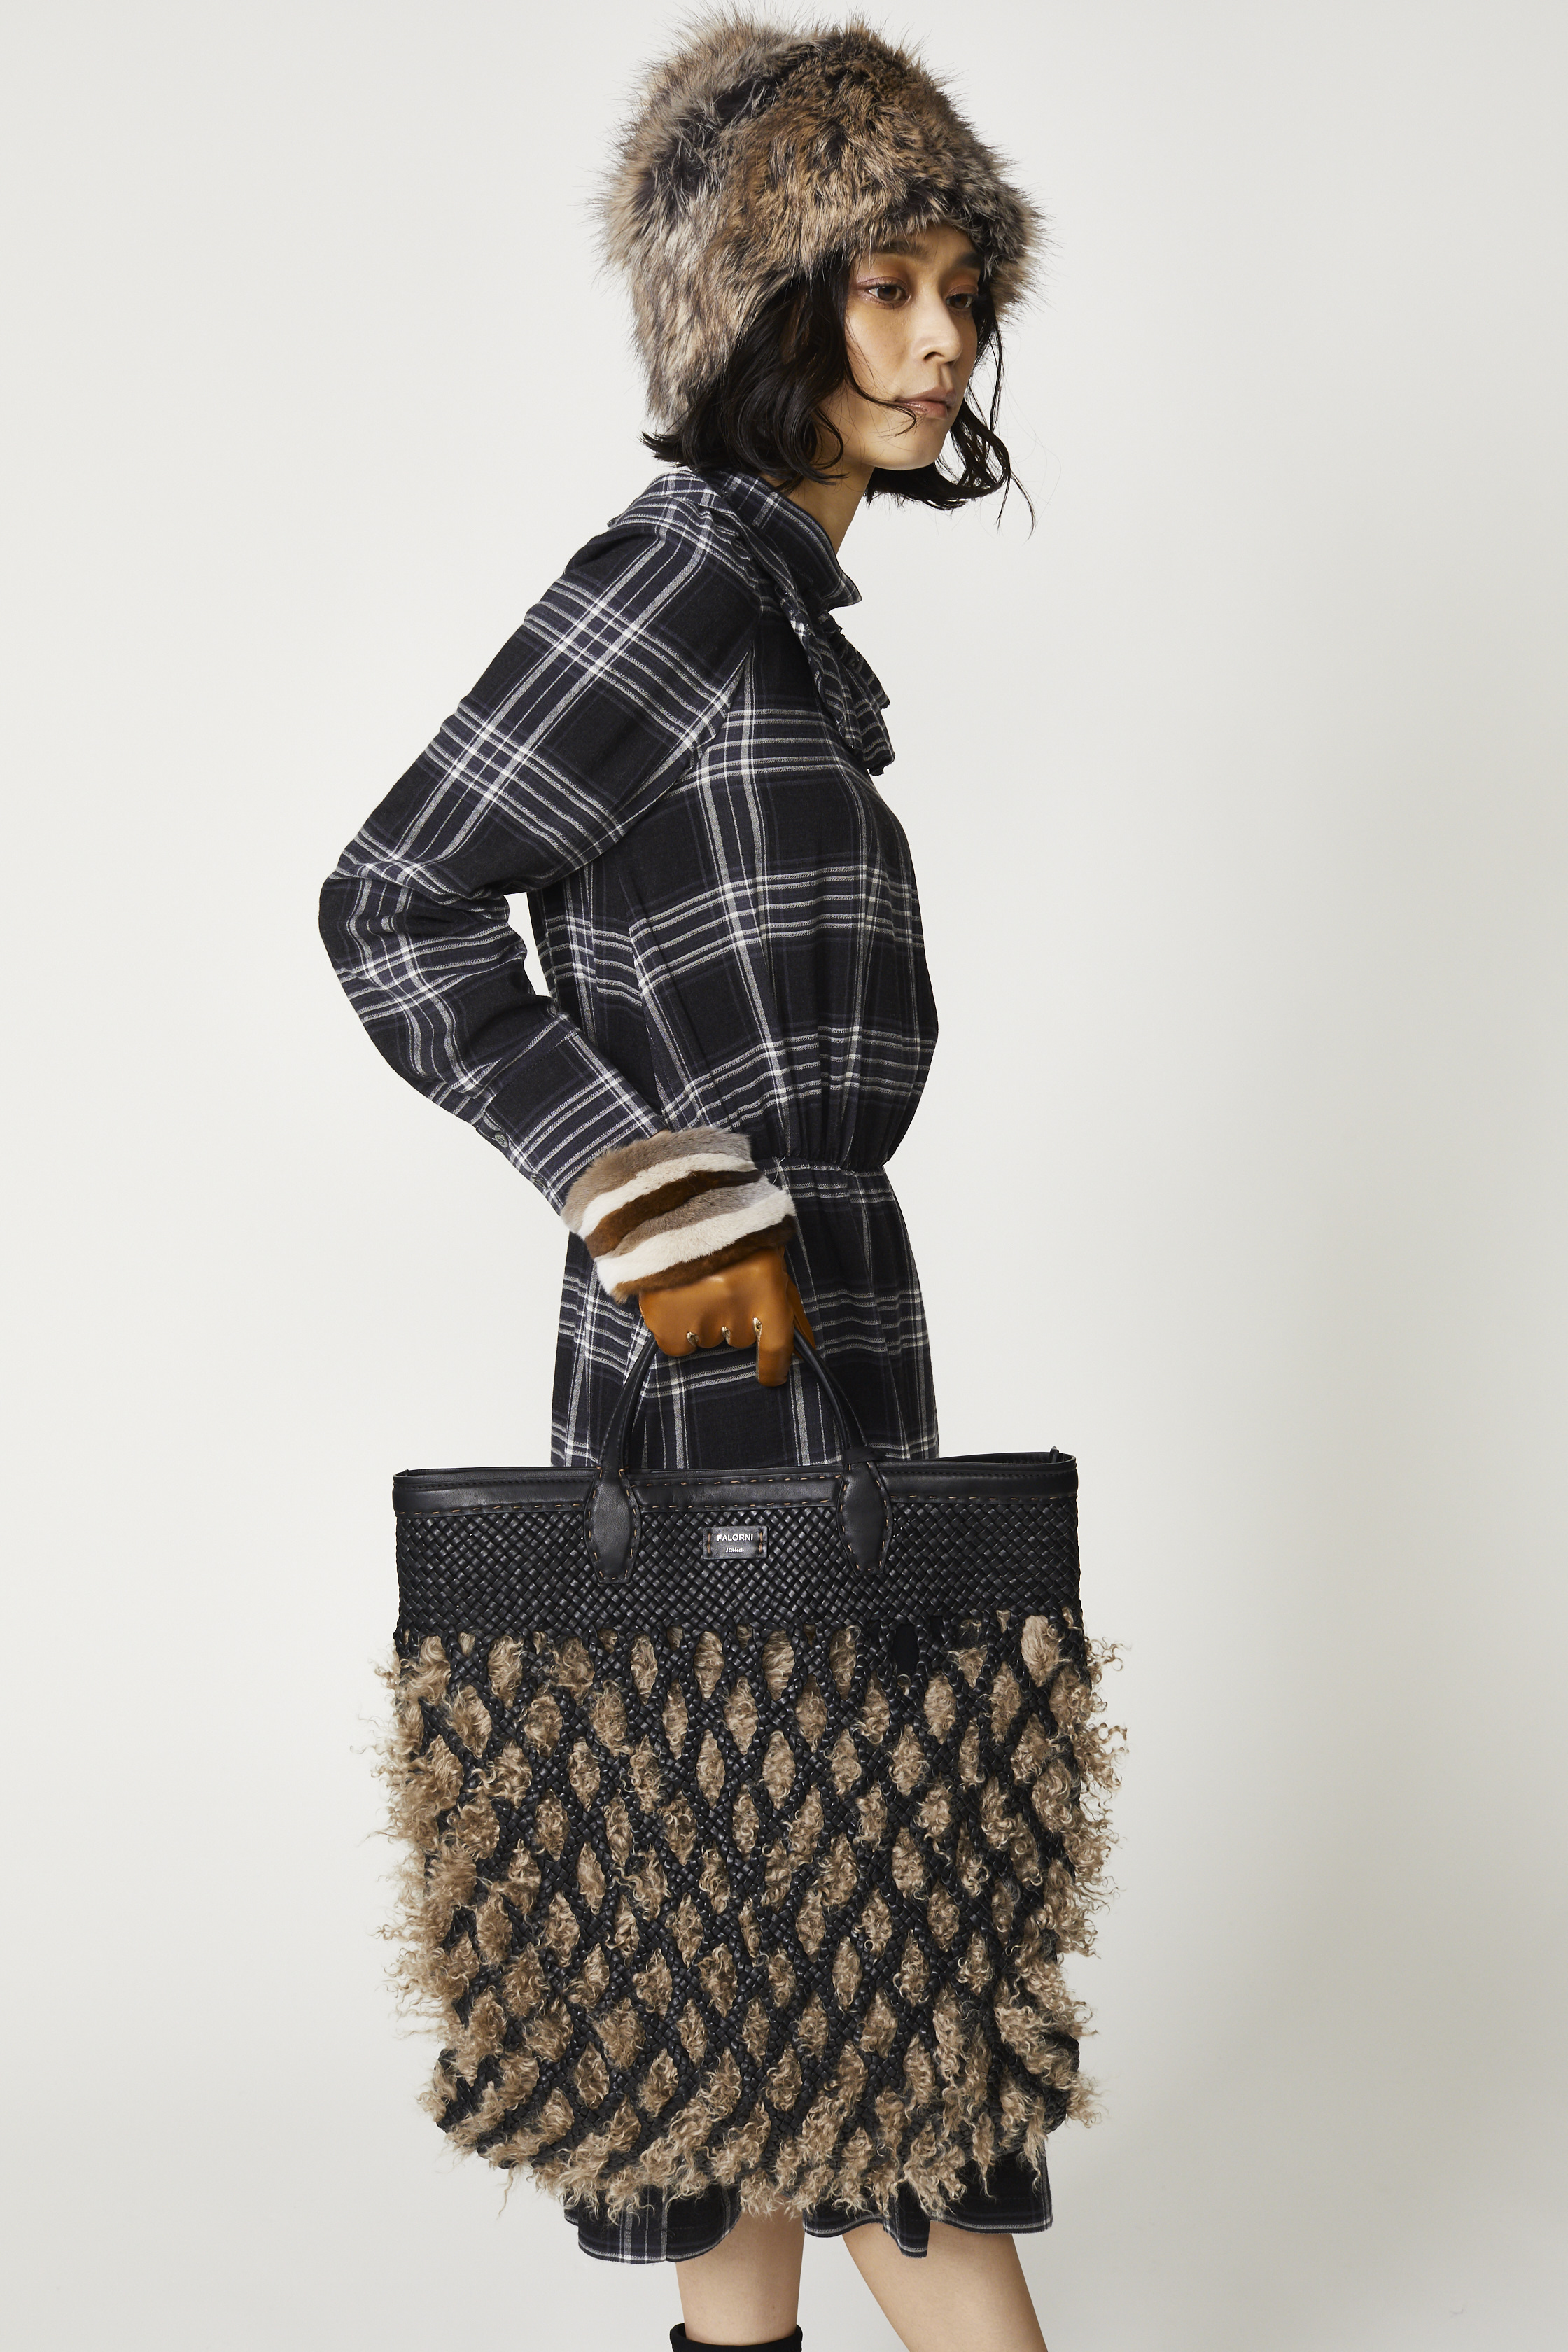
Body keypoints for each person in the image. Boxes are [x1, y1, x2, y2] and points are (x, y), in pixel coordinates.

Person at [320, 17, 1061, 2350]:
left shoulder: (784, 619)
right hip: (723, 1346)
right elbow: (396, 901)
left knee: (732, 2000)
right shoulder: (677, 581)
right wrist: (644, 1195)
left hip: (821, 1315)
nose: (939, 342)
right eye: (882, 288)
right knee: (867, 2004)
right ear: (758, 305)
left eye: (962, 290)